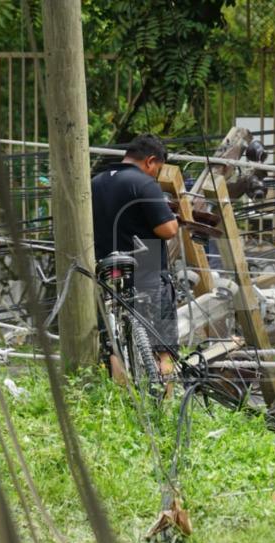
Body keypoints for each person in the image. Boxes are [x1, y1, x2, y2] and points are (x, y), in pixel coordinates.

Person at [91, 134, 179, 378]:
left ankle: (122, 405)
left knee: (114, 344)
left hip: (107, 268)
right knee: (164, 349)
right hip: (146, 266)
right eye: (157, 169)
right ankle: (167, 408)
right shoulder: (143, 183)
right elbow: (168, 230)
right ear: (150, 161)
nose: (155, 175)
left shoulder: (95, 182)